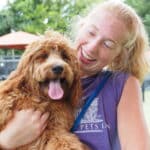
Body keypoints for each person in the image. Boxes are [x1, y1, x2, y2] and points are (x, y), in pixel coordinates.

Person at [0, 0, 150, 149]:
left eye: (108, 44)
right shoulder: (26, 84)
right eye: (91, 32)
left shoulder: (120, 84)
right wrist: (6, 140)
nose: (92, 48)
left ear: (119, 55)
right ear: (81, 27)